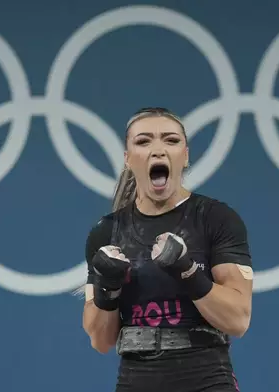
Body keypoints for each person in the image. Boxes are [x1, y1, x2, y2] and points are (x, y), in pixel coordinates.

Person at [81, 107, 254, 392]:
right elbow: (101, 341)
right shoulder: (106, 232)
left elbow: (238, 319)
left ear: (185, 156)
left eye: (171, 141)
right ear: (128, 159)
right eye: (144, 141)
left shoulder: (217, 219)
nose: (158, 150)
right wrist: (107, 290)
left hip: (207, 380)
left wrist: (186, 270)